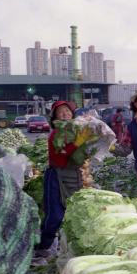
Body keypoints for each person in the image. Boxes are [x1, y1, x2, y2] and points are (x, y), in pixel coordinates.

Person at [35, 101, 92, 255]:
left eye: (67, 111)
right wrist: (78, 142)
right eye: (61, 112)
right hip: (56, 176)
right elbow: (60, 158)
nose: (65, 114)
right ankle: (42, 247)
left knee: (73, 213)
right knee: (55, 216)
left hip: (74, 175)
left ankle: (66, 245)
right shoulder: (55, 134)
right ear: (55, 117)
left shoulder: (76, 130)